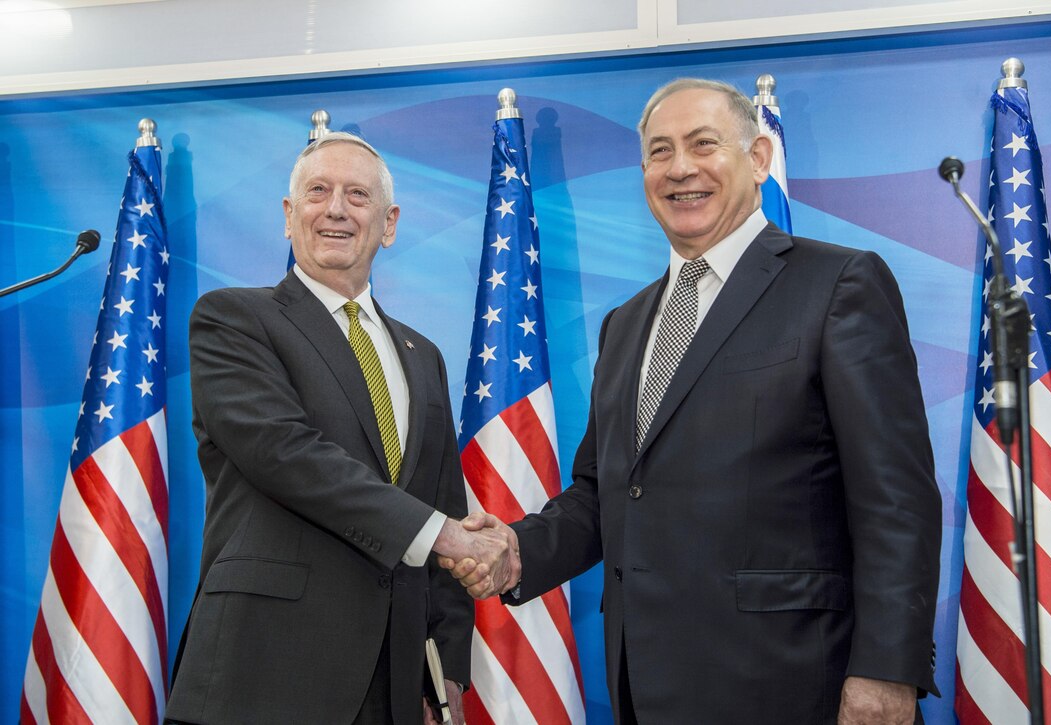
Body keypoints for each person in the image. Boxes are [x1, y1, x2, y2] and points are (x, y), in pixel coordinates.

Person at [443, 78, 942, 724]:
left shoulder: (840, 284)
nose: (681, 168)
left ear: (758, 158)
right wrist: (518, 550)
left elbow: (895, 499)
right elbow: (605, 494)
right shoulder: (625, 324)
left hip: (792, 685)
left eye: (703, 144)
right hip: (645, 687)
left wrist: (886, 671)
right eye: (659, 151)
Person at [166, 132, 516, 725]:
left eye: (357, 195)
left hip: (397, 681)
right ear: (287, 214)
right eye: (317, 191)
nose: (335, 209)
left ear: (389, 223)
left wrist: (446, 671)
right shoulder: (234, 319)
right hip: (264, 673)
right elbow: (286, 455)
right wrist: (451, 538)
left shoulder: (421, 354)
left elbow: (441, 502)